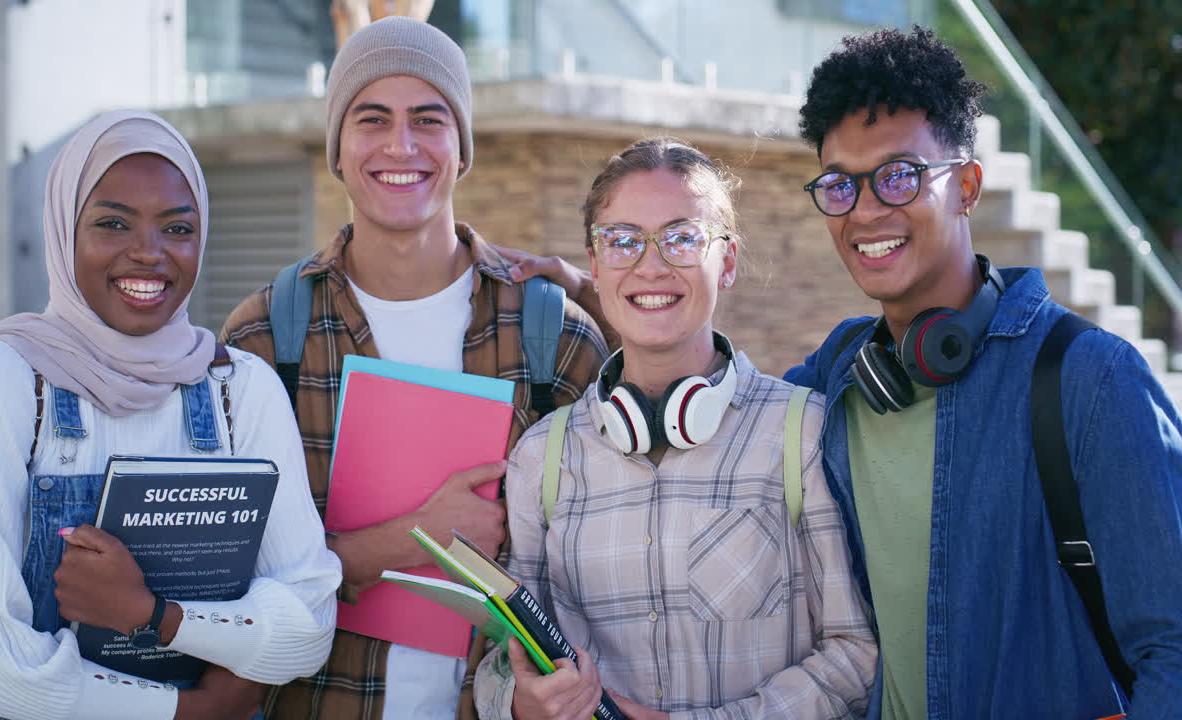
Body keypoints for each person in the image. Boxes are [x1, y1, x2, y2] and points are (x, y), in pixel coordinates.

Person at [783, 27, 1182, 719]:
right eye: (840, 185)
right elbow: (709, 410)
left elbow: (1173, 652)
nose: (866, 210)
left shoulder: (1093, 382)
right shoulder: (836, 379)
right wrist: (599, 301)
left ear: (967, 186)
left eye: (900, 175)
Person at [219, 17, 609, 720]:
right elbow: (229, 584)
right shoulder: (263, 338)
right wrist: (422, 534)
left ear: (462, 149)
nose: (401, 145)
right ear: (338, 148)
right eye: (372, 119)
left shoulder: (556, 337)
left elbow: (607, 570)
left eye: (429, 119)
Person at [0, 111, 342, 720]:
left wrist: (154, 616)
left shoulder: (239, 389)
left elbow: (307, 627)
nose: (148, 253)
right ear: (65, 230)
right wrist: (189, 711)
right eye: (113, 223)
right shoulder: (9, 379)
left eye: (177, 227)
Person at [473, 138, 877, 720]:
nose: (651, 265)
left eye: (682, 238)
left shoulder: (801, 432)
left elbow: (854, 657)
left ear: (728, 260)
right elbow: (500, 657)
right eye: (623, 241)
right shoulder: (542, 456)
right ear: (594, 262)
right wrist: (519, 702)